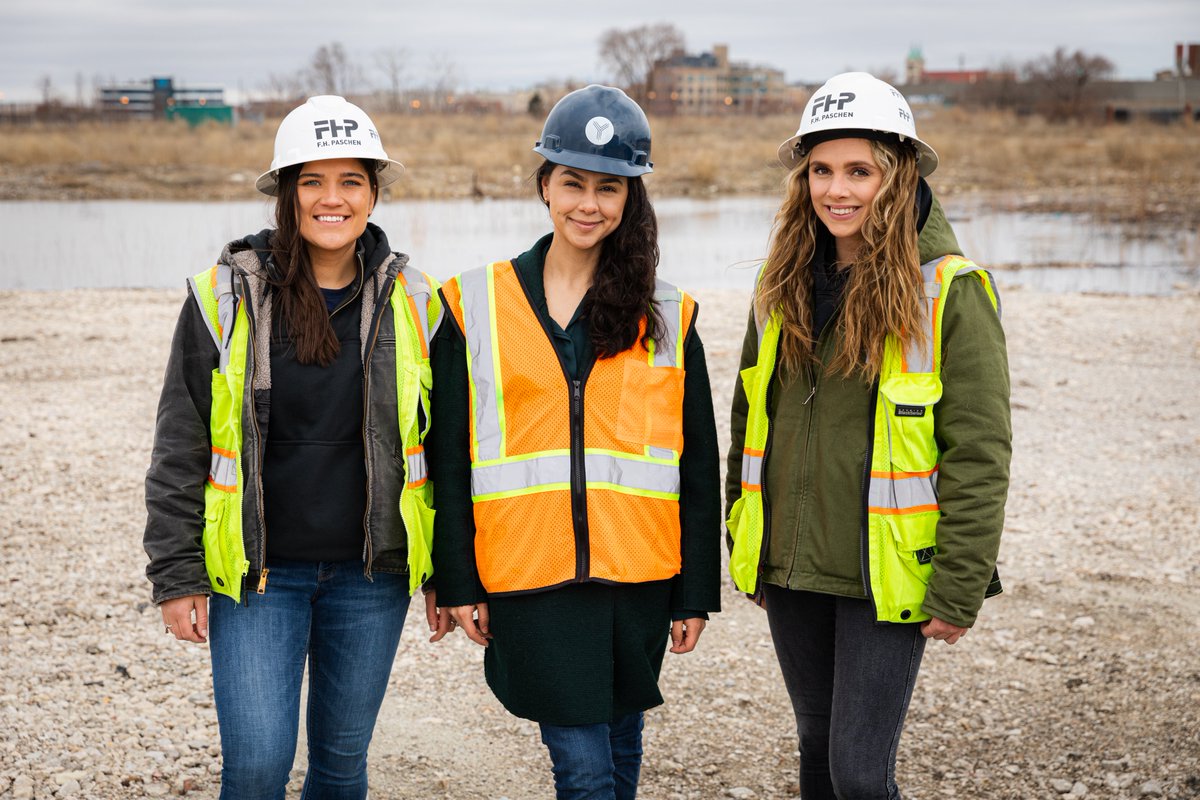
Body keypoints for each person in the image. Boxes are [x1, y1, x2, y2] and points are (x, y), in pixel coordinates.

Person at [143, 95, 451, 799]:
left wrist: (449, 572)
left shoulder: (418, 300)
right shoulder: (224, 296)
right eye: (312, 181)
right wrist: (177, 573)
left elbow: (446, 449)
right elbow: (180, 443)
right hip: (260, 578)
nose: (332, 199)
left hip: (371, 578)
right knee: (256, 768)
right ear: (286, 193)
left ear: (374, 193)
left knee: (342, 768)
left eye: (351, 181)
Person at [428, 84, 721, 800]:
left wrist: (695, 593)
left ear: (632, 198)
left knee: (621, 754)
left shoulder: (667, 314)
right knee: (584, 772)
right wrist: (458, 579)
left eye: (610, 188)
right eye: (573, 183)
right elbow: (448, 460)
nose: (589, 204)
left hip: (638, 582)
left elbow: (700, 464)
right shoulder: (476, 306)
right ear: (544, 187)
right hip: (531, 581)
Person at [725, 72, 1011, 799]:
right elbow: (748, 420)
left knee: (858, 772)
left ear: (899, 174)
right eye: (821, 170)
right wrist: (747, 539)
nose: (837, 190)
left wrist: (961, 583)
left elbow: (980, 451)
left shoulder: (950, 291)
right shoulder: (777, 285)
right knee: (817, 752)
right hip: (792, 569)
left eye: (859, 171)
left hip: (885, 577)